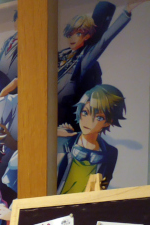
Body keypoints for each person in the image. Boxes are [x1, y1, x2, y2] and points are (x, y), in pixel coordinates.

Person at [56, 0, 145, 129]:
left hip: (64, 117)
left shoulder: (84, 59)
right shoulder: (62, 54)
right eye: (70, 34)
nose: (72, 38)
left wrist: (126, 11)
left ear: (87, 36)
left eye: (78, 34)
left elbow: (104, 40)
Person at [56, 84, 125, 193]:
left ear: (108, 122)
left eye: (98, 117)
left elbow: (103, 187)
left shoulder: (110, 153)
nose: (88, 121)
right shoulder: (64, 140)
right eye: (85, 112)